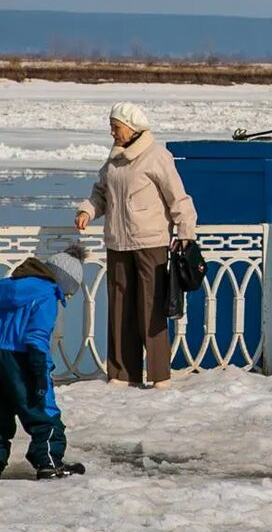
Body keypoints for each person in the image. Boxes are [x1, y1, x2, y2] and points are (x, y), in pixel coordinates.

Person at [74, 102, 198, 388]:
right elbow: (100, 194)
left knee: (151, 310)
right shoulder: (114, 159)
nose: (112, 133)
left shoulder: (156, 156)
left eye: (115, 127)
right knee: (119, 309)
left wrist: (186, 231)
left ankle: (159, 375)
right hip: (118, 243)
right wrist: (87, 211)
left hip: (149, 242)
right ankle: (121, 374)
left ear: (132, 127)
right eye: (111, 127)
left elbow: (178, 197)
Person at [0, 245, 88, 480]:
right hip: (22, 360)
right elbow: (36, 337)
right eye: (67, 294)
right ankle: (48, 463)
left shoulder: (2, 290)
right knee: (44, 414)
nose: (64, 300)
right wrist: (40, 373)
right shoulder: (47, 295)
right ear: (61, 282)